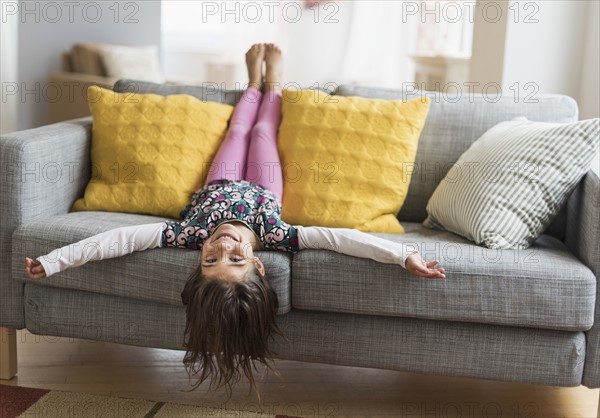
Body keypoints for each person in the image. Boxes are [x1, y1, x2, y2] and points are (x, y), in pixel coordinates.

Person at [25, 43, 445, 398]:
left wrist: (55, 260)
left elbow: (115, 240)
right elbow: (345, 240)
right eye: (236, 259)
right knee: (263, 133)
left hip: (220, 181)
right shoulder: (278, 235)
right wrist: (403, 255)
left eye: (210, 260)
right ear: (259, 264)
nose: (222, 245)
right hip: (265, 186)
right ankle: (271, 84)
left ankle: (252, 84)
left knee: (239, 131)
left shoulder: (187, 234)